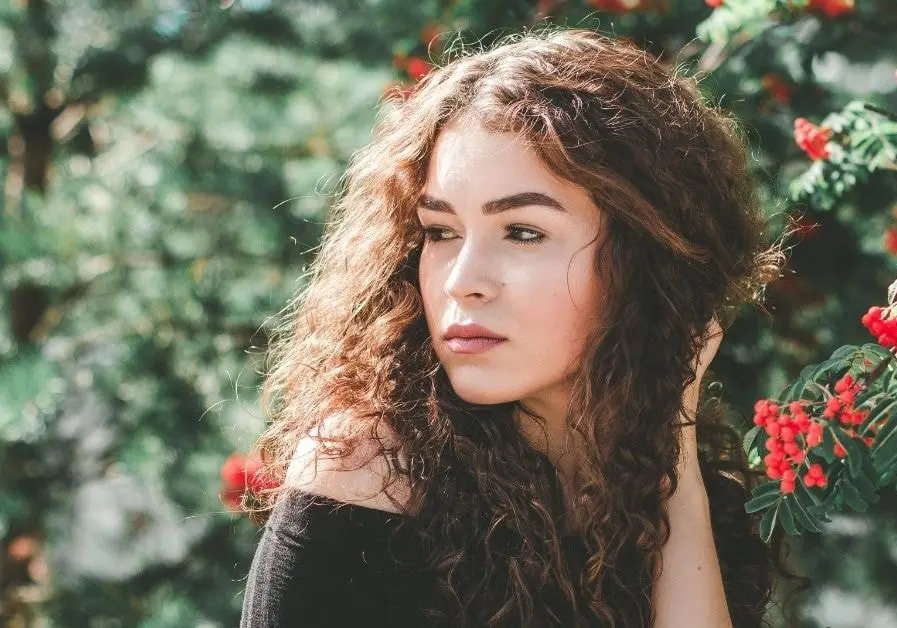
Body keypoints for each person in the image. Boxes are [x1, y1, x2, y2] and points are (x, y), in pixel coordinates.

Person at [239, 26, 806, 628]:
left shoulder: (672, 478)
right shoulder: (370, 469)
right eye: (440, 232)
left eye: (523, 232)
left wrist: (675, 472)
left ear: (645, 260)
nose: (462, 280)